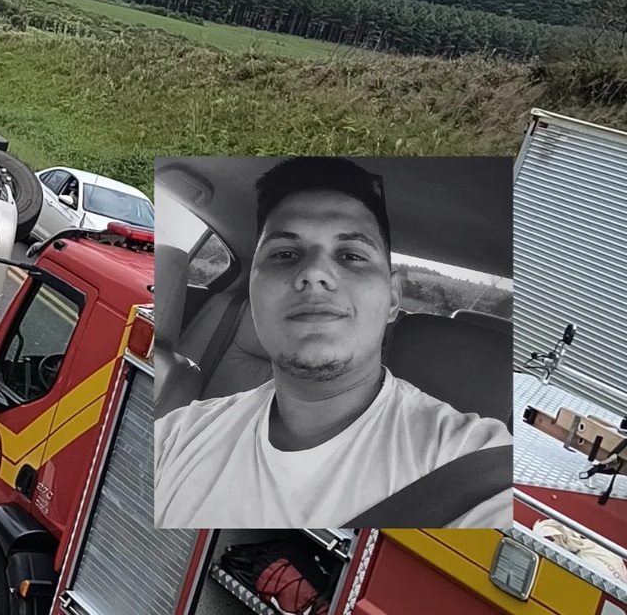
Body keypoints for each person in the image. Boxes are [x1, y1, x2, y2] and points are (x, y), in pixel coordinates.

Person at [153, 156, 512, 529]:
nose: (314, 273)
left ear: (393, 298)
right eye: (284, 255)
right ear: (253, 290)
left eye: (352, 256)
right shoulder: (177, 435)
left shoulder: (478, 470)